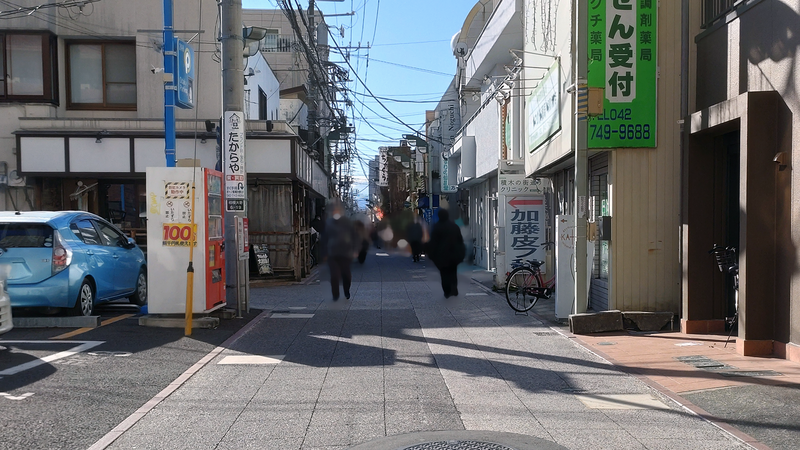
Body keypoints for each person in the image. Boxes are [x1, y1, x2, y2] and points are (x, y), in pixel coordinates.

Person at [320, 202, 358, 301]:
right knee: (334, 275)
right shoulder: (328, 223)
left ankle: (346, 290)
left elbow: (354, 236)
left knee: (346, 274)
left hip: (346, 253)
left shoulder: (347, 222)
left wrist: (355, 249)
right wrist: (324, 253)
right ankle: (335, 294)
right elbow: (324, 238)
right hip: (332, 253)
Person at [426, 209, 465, 298]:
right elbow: (460, 240)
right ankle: (454, 289)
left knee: (444, 274)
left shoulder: (436, 227)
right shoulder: (454, 227)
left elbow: (433, 243)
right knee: (453, 272)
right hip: (454, 255)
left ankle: (447, 291)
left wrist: (432, 254)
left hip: (441, 256)